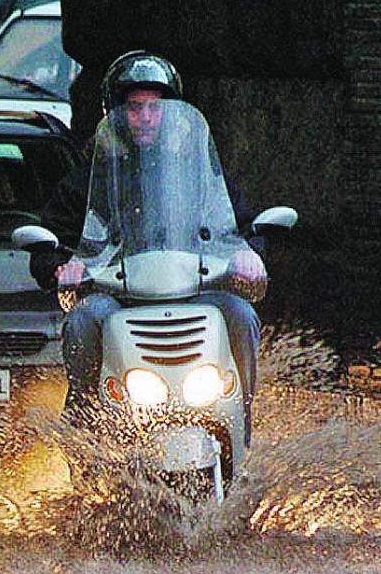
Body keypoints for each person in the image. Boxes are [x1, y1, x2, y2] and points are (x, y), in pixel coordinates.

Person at [32, 51, 267, 429]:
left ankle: (241, 418)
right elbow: (52, 238)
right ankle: (85, 421)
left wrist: (248, 254)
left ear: (170, 111)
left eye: (154, 109)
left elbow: (237, 223)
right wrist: (62, 264)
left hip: (192, 294)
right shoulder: (89, 177)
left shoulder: (197, 172)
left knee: (241, 315)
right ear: (115, 112)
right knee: (82, 320)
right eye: (135, 108)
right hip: (117, 298)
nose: (144, 118)